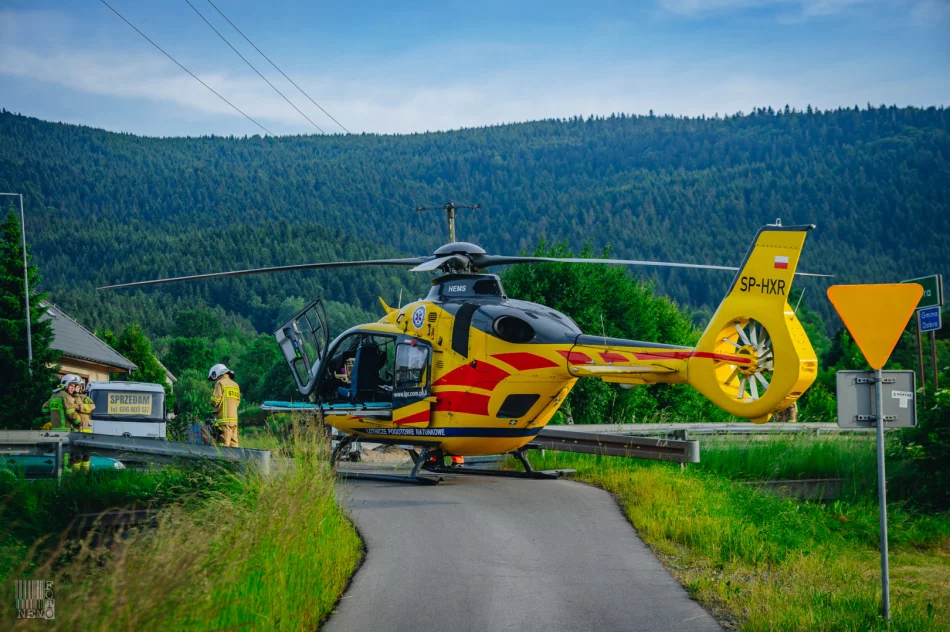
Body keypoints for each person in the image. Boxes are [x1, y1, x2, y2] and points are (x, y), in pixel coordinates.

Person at [208, 363, 241, 448]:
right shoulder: (235, 385)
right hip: (234, 422)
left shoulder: (220, 383)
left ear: (217, 374)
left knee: (223, 448)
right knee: (234, 447)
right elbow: (237, 402)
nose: (215, 381)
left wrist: (210, 402)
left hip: (223, 421)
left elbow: (215, 401)